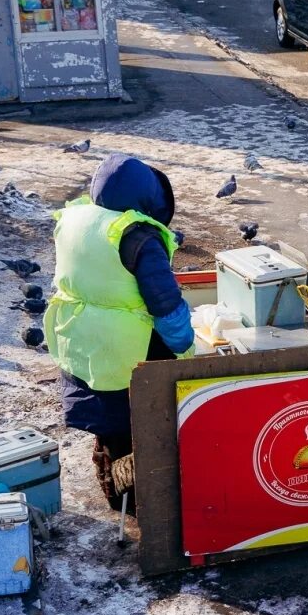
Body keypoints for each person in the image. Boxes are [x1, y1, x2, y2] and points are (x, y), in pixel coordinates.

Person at [44, 154, 194, 510]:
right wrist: (187, 348)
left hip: (80, 338)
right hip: (126, 353)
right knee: (145, 429)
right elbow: (166, 307)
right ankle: (143, 505)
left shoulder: (78, 218)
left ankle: (112, 480)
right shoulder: (138, 238)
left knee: (110, 426)